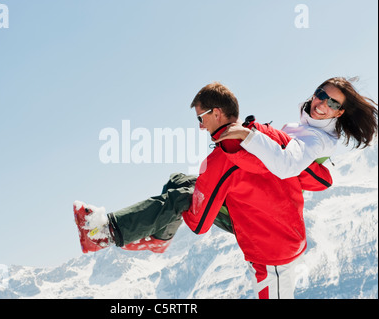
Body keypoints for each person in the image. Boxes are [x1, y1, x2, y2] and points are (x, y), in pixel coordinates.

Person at [73, 82, 333, 299]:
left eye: (201, 117)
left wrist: (190, 205)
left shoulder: (221, 161)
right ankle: (158, 239)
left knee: (182, 196)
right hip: (288, 229)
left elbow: (200, 224)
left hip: (272, 250)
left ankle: (104, 234)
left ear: (217, 113)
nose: (200, 126)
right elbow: (320, 180)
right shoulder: (267, 135)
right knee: (180, 181)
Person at [214, 77, 378, 179]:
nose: (322, 104)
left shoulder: (319, 139)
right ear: (315, 93)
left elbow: (286, 168)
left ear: (339, 112)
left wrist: (247, 135)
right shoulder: (307, 128)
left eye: (333, 103)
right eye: (321, 95)